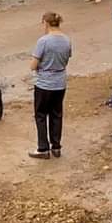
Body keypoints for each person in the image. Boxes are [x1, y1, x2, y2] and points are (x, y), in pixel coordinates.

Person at [28, 12, 72, 159]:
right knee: (56, 114)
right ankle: (56, 146)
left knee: (40, 115)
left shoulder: (43, 41)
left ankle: (43, 148)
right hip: (60, 82)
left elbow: (33, 65)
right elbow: (67, 59)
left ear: (45, 23)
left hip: (44, 83)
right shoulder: (67, 40)